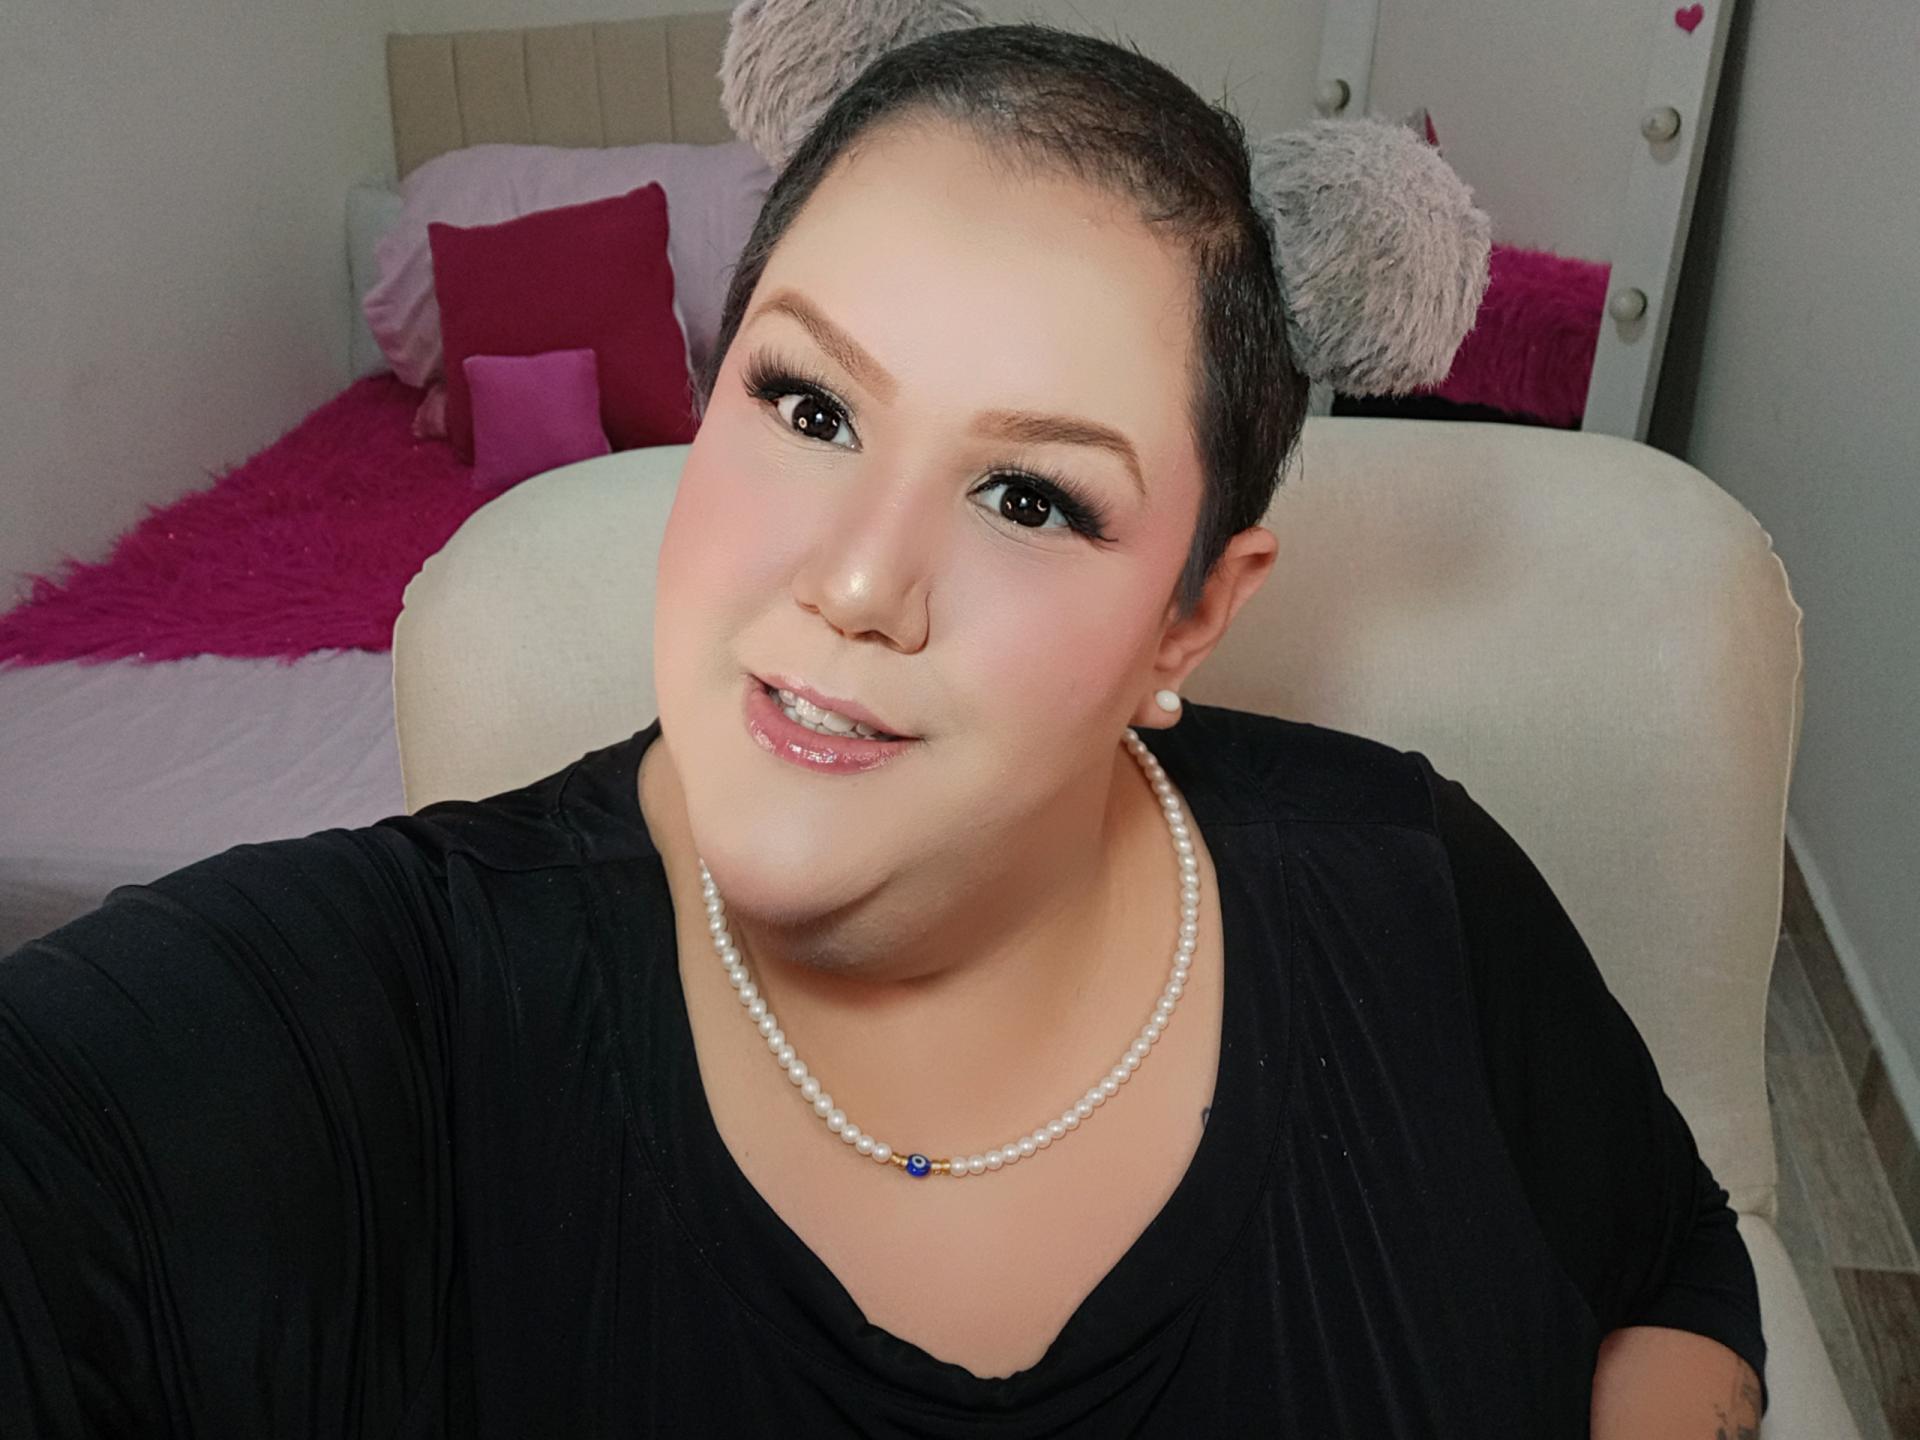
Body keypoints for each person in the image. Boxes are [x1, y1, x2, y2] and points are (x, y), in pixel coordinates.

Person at [0, 20, 1766, 1438]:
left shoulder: (1412, 880)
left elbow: (1676, 1259)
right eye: (808, 404)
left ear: (1195, 616)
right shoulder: (372, 1011)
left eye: (1030, 497)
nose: (857, 579)